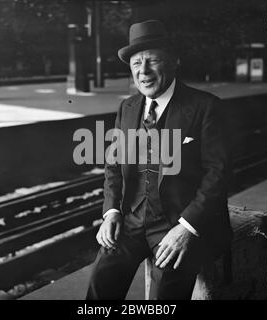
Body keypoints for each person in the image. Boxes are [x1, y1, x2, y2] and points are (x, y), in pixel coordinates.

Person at [86, 20, 232, 300]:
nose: (143, 72)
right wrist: (111, 212)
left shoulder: (205, 107)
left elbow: (219, 173)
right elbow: (113, 164)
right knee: (99, 288)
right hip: (131, 221)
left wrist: (187, 228)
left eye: (152, 61)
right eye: (136, 63)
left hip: (177, 223)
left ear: (174, 61)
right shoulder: (127, 108)